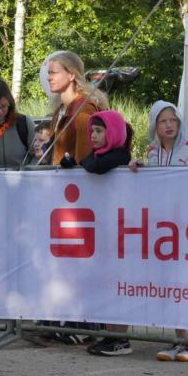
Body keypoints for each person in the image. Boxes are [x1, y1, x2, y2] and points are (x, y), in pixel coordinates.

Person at [128, 101, 188, 362]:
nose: (169, 125)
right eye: (163, 121)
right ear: (155, 124)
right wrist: (136, 167)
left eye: (173, 120)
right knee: (171, 285)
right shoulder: (153, 153)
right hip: (164, 229)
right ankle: (180, 338)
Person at [61, 110, 134, 357]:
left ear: (112, 133)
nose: (93, 135)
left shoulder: (119, 155)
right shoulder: (98, 155)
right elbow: (89, 163)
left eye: (99, 131)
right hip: (104, 229)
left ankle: (120, 337)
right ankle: (110, 334)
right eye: (92, 131)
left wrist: (82, 163)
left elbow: (96, 166)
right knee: (106, 283)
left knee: (119, 283)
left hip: (121, 230)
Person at [45, 51, 103, 165]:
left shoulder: (85, 109)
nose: (48, 78)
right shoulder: (59, 110)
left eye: (54, 73)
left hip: (73, 181)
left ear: (71, 75)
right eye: (48, 73)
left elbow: (84, 159)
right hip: (57, 179)